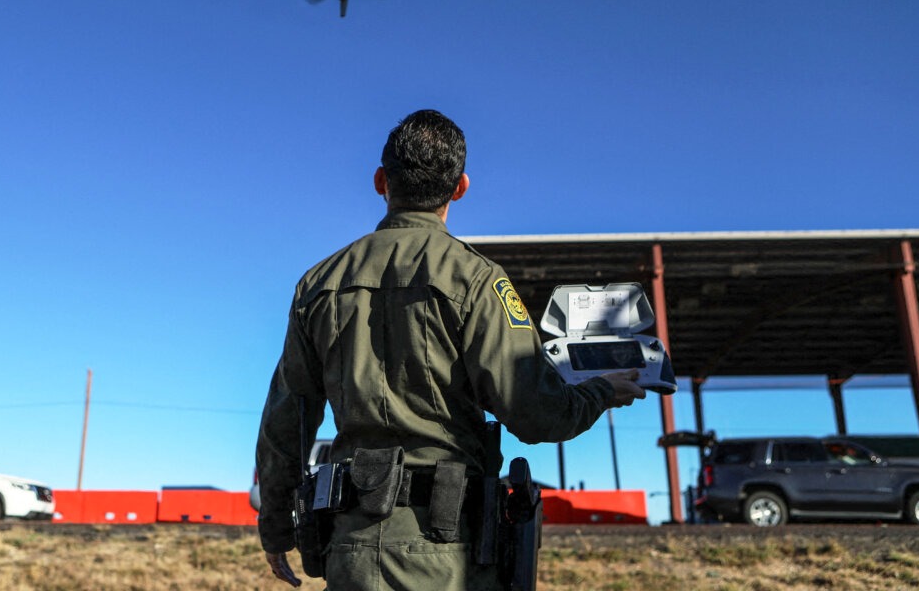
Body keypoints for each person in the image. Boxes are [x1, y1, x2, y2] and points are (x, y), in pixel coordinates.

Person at [255, 109, 646, 590]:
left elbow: (285, 421)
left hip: (349, 549)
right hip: (445, 554)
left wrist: (275, 528)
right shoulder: (478, 280)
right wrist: (601, 391)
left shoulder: (318, 285)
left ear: (381, 181)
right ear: (459, 187)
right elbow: (536, 413)